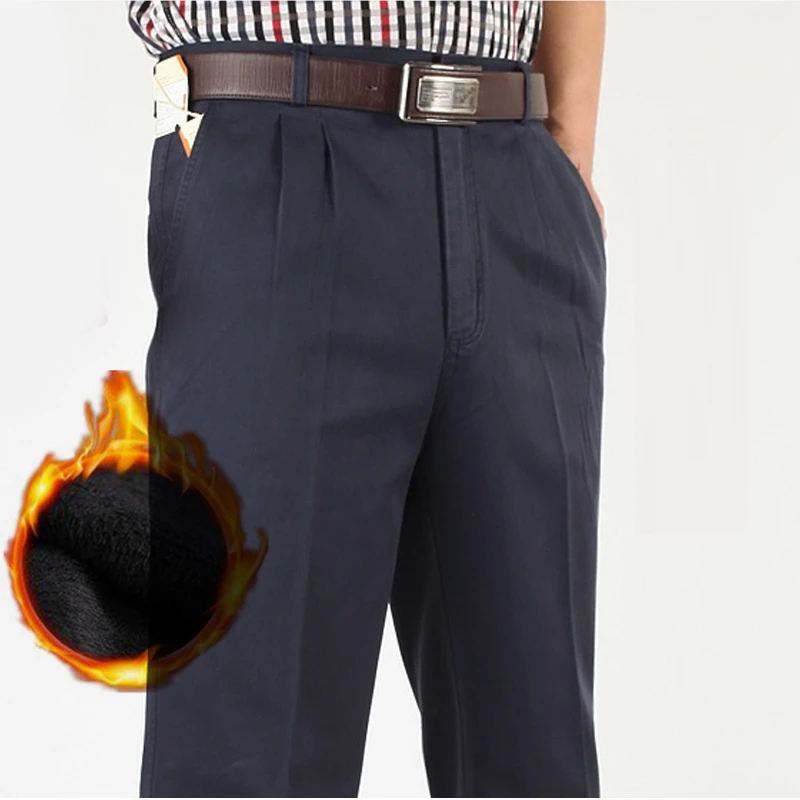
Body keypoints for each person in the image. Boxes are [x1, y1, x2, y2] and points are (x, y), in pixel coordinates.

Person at [129, 1, 607, 797]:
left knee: (535, 753)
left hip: (514, 164)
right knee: (248, 756)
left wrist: (568, 160)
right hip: (277, 146)